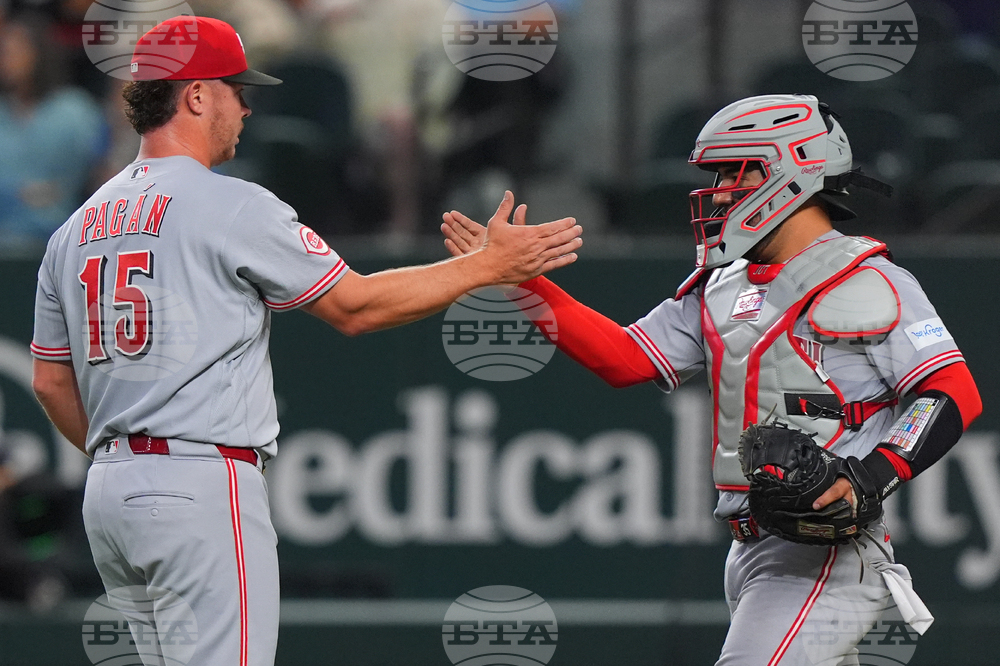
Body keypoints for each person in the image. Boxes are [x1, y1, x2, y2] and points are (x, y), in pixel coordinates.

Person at [30, 16, 581, 665]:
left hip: (110, 494)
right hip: (199, 481)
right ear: (198, 94)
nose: (247, 104)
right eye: (237, 88)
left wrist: (127, 457)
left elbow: (50, 382)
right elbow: (357, 306)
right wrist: (486, 267)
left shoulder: (76, 226)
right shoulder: (228, 203)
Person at [441, 93, 982, 665]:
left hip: (825, 552)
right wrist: (522, 282)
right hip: (751, 550)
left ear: (790, 167)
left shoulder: (867, 277)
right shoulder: (723, 283)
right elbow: (624, 358)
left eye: (734, 170)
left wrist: (869, 474)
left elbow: (953, 393)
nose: (718, 189)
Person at [0, 12, 106, 248]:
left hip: (61, 242)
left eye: (15, 50)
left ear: (39, 52)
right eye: (4, 52)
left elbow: (103, 173)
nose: (6, 59)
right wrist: (17, 193)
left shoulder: (75, 110)